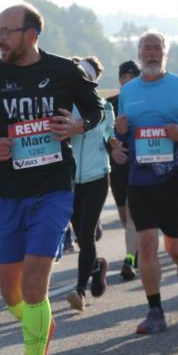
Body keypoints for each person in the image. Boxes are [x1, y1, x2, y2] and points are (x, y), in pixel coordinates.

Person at [0, 2, 104, 355]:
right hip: (7, 191)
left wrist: (79, 125)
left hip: (53, 188)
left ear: (31, 34)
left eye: (6, 32)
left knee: (34, 286)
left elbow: (97, 109)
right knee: (10, 292)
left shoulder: (65, 70)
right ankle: (39, 328)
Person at [115, 31, 178, 334]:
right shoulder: (129, 90)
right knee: (146, 244)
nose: (152, 53)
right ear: (140, 54)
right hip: (140, 178)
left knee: (177, 248)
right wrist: (119, 133)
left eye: (157, 48)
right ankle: (155, 310)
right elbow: (122, 136)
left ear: (165, 54)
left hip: (176, 177)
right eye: (147, 48)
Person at [67, 56, 116, 310]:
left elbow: (110, 136)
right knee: (81, 237)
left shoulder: (105, 109)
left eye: (86, 77)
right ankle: (97, 267)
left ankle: (79, 291)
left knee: (86, 233)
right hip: (73, 180)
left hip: (98, 177)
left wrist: (116, 145)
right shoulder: (65, 108)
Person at [110, 61, 141, 279]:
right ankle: (135, 246)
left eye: (132, 75)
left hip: (139, 163)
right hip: (117, 165)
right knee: (124, 213)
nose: (127, 79)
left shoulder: (144, 102)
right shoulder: (109, 104)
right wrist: (112, 148)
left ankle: (130, 258)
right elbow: (102, 134)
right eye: (124, 76)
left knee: (133, 212)